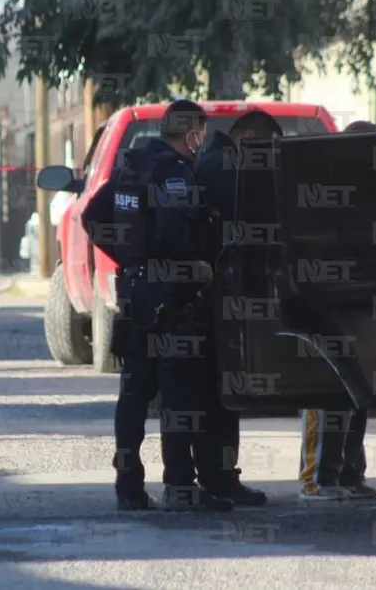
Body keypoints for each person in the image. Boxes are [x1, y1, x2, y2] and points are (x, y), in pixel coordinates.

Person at [83, 99, 233, 512]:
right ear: (193, 135)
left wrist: (130, 257)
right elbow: (172, 232)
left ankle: (128, 485)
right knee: (178, 396)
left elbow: (92, 215)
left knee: (134, 392)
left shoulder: (131, 168)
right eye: (200, 133)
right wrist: (194, 268)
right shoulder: (175, 175)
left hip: (136, 294)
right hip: (172, 297)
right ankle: (181, 487)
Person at [192, 110, 284, 506]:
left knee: (218, 392)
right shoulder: (223, 166)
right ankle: (220, 477)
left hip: (216, 292)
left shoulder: (212, 159)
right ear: (247, 137)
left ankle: (218, 474)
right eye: (265, 150)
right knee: (220, 393)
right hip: (218, 294)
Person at [298, 119, 376, 501]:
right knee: (326, 391)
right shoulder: (324, 190)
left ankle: (348, 473)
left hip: (357, 306)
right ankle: (317, 479)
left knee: (356, 394)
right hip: (324, 307)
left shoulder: (366, 192)